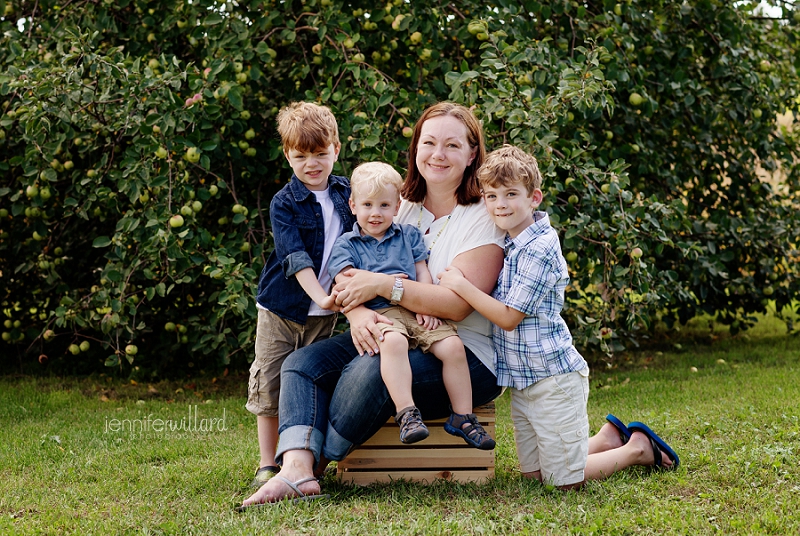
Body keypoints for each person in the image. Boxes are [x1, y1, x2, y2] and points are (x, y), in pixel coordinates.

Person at [242, 102, 506, 506]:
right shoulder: (399, 203)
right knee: (302, 364)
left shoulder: (483, 216)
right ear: (416, 147)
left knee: (366, 371)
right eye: (429, 142)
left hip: (463, 352)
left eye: (452, 145)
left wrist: (383, 285)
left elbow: (455, 306)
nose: (438, 153)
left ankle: (320, 461)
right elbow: (348, 269)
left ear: (472, 154)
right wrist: (358, 310)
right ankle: (295, 468)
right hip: (391, 326)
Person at [437, 145, 680, 489]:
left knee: (563, 482)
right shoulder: (511, 241)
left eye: (510, 194)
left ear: (534, 197)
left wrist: (460, 285)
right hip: (524, 382)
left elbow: (508, 317)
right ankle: (607, 439)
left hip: (554, 380)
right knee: (533, 477)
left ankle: (637, 449)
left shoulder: (541, 248)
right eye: (491, 196)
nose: (500, 204)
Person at [327, 161, 495, 449]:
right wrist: (364, 303)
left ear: (396, 207)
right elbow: (345, 284)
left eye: (384, 205)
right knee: (393, 344)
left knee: (453, 347)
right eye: (367, 205)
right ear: (353, 206)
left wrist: (426, 302)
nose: (375, 213)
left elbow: (421, 271)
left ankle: (463, 417)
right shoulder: (347, 245)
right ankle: (407, 413)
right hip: (381, 312)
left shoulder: (408, 235)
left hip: (414, 305)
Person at [244, 102, 355, 489]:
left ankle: (305, 453)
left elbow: (359, 244)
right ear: (287, 155)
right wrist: (322, 296)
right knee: (270, 381)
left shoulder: (347, 194)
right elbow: (295, 258)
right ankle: (266, 462)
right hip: (283, 307)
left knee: (309, 381)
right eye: (301, 155)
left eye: (321, 154)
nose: (312, 163)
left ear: (336, 149)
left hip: (323, 314)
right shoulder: (285, 202)